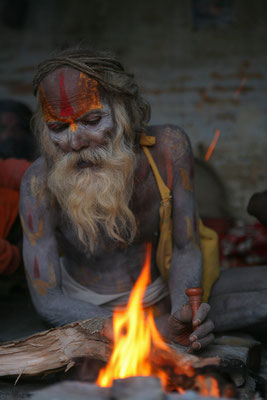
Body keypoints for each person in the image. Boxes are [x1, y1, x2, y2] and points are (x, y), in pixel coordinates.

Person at [19, 49, 267, 352]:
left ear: (124, 109)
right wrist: (143, 330)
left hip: (163, 294)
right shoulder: (37, 183)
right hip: (86, 315)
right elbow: (48, 300)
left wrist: (182, 314)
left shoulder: (169, 148)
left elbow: (185, 247)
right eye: (58, 128)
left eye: (93, 120)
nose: (75, 142)